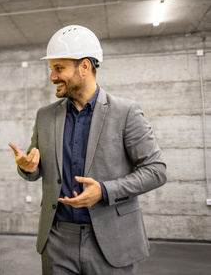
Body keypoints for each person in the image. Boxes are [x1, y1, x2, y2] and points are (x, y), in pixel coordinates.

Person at [9, 25, 166, 274]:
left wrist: (104, 191)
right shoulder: (46, 116)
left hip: (110, 239)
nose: (52, 77)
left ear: (84, 66)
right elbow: (34, 167)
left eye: (58, 69)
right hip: (57, 238)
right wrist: (28, 168)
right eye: (51, 69)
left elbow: (156, 171)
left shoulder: (125, 112)